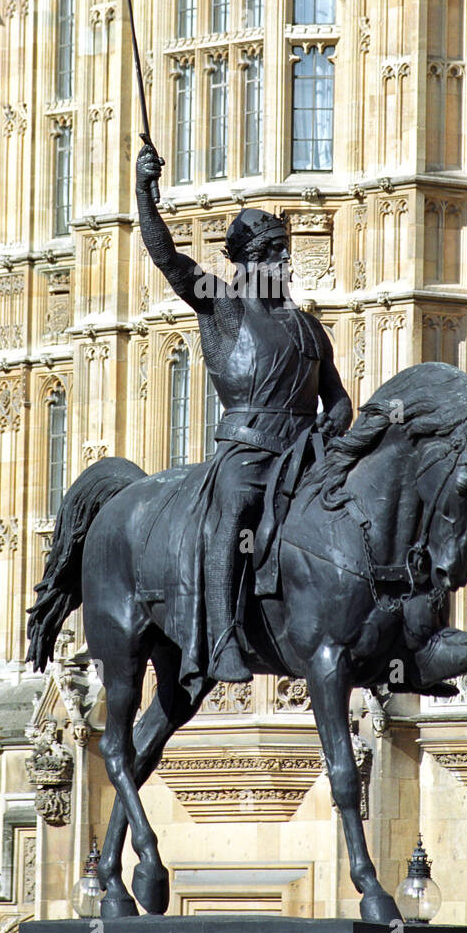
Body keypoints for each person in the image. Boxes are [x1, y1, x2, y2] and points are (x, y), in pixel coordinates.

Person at [136, 143, 353, 681]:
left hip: (306, 455)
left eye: (284, 250)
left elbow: (338, 398)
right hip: (249, 452)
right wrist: (144, 192)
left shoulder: (307, 326)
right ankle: (221, 640)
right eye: (272, 252)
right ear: (248, 261)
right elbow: (167, 258)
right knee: (233, 512)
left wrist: (335, 421)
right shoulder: (221, 306)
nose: (283, 260)